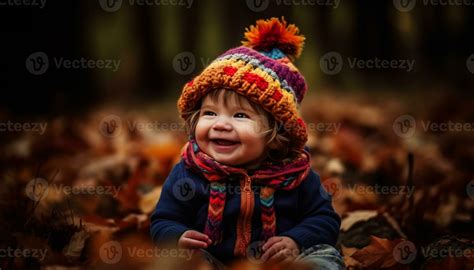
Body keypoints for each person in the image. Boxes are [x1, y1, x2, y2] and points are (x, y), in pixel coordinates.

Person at [150, 17, 344, 270]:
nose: (220, 124)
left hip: (279, 264)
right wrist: (176, 236)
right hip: (213, 261)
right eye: (209, 113)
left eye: (240, 116)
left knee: (324, 255)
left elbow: (324, 218)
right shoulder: (189, 171)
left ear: (276, 132)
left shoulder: (296, 174)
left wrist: (296, 240)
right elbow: (164, 218)